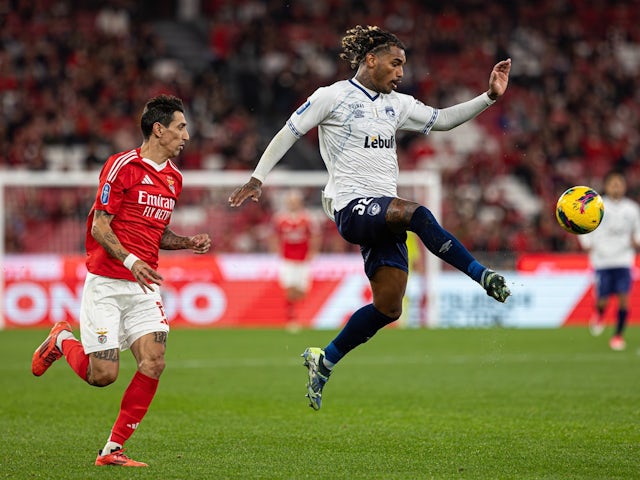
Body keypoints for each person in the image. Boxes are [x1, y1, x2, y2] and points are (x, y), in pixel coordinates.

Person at [229, 25, 512, 410]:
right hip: (352, 206)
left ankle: (324, 359)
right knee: (418, 213)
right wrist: (257, 178)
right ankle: (482, 273)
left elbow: (443, 120)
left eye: (404, 66)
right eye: (395, 64)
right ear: (371, 60)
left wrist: (490, 97)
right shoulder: (333, 96)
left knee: (389, 306)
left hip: (383, 214)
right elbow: (289, 132)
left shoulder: (399, 105)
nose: (401, 73)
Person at [31, 95, 211, 466]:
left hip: (144, 285)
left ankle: (112, 449)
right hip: (109, 281)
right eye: (181, 127)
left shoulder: (174, 179)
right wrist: (131, 261)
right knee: (103, 376)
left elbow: (157, 233)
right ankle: (62, 339)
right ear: (158, 129)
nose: (186, 136)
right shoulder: (121, 166)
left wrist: (187, 241)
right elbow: (100, 226)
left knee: (154, 360)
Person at [578, 170, 640, 351]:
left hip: (623, 259)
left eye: (619, 184)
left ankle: (618, 336)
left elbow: (638, 231)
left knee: (623, 299)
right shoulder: (596, 206)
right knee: (603, 300)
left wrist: (637, 240)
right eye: (613, 184)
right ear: (606, 186)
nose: (616, 187)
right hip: (602, 260)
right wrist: (586, 243)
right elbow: (584, 225)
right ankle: (599, 313)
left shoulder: (632, 209)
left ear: (624, 187)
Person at [271, 188, 320, 331]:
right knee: (289, 288)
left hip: (303, 259)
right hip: (288, 259)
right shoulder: (280, 218)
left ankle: (299, 315)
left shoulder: (308, 218)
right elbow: (274, 235)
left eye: (295, 201)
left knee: (301, 290)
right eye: (290, 201)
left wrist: (313, 251)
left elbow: (315, 236)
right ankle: (292, 318)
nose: (292, 204)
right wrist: (276, 250)